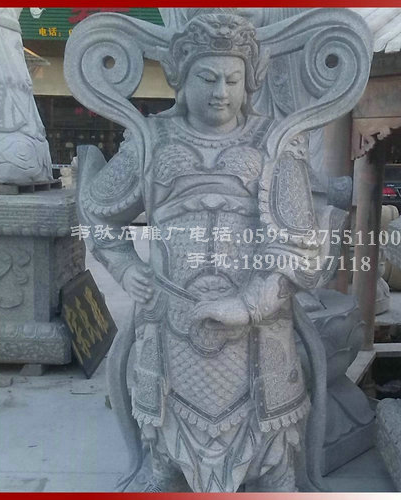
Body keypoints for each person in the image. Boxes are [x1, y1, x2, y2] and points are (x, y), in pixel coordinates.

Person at [77, 12, 330, 492]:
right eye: (208, 78)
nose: (221, 92)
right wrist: (124, 265)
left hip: (257, 330)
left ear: (248, 82)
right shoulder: (151, 140)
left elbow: (302, 252)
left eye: (232, 80)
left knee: (273, 458)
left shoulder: (276, 143)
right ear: (181, 78)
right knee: (166, 456)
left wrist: (248, 305)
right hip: (172, 322)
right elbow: (96, 212)